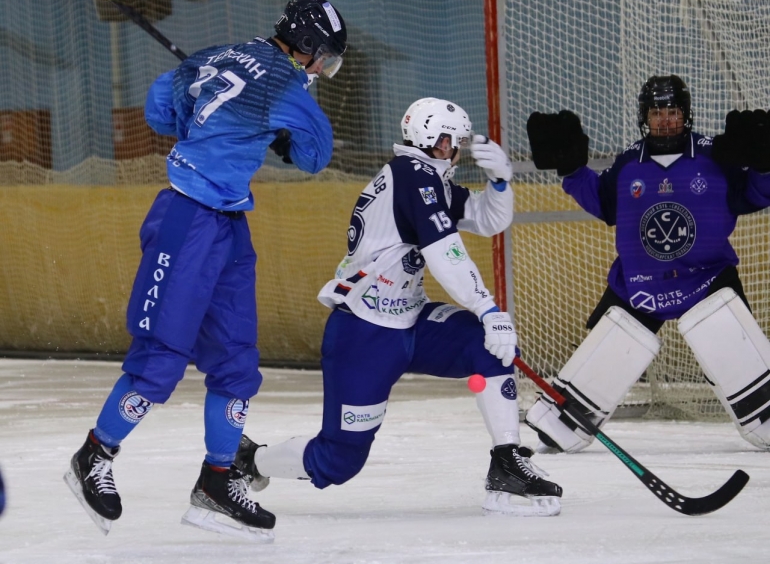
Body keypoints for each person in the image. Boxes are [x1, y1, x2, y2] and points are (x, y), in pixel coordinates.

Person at [64, 0, 348, 541]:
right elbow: (316, 157)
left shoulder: (213, 56)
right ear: (306, 48)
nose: (322, 71)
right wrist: (284, 133)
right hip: (187, 220)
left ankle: (217, 482)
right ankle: (94, 454)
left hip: (226, 224)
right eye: (324, 61)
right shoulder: (288, 89)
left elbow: (158, 110)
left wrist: (207, 110)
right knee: (161, 357)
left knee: (236, 362)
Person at [235, 97, 563, 517]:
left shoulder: (426, 178)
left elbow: (486, 219)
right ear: (439, 141)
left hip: (411, 320)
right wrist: (487, 308)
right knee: (337, 461)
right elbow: (445, 252)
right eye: (455, 143)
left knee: (489, 346)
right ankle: (251, 460)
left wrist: (500, 182)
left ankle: (507, 462)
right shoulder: (413, 177)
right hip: (366, 332)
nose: (458, 152)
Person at [523, 74, 770, 454]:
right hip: (641, 282)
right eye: (657, 112)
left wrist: (764, 167)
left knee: (728, 345)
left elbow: (754, 195)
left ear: (685, 114)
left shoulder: (716, 156)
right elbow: (603, 203)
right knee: (607, 355)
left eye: (672, 111)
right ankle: (567, 419)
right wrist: (572, 171)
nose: (665, 119)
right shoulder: (628, 163)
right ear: (645, 117)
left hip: (706, 277)